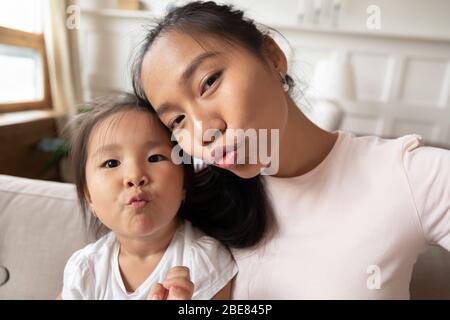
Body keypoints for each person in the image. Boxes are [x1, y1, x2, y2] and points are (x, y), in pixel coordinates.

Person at [131, 1, 450, 299]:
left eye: (209, 82)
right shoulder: (189, 211)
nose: (204, 131)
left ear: (272, 57)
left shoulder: (408, 174)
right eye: (177, 120)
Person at [58, 93, 237, 299]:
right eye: (111, 163)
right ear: (88, 196)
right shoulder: (85, 270)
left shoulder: (203, 262)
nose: (135, 176)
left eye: (155, 157)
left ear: (184, 185)